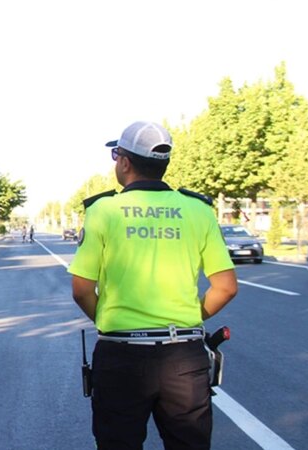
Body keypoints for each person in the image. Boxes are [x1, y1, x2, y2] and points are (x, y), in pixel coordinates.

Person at [68, 121, 238, 450]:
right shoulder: (199, 210)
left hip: (121, 355)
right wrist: (190, 317)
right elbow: (226, 287)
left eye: (115, 155)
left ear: (124, 162)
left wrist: (110, 319)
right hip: (183, 356)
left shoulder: (103, 211)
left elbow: (82, 289)